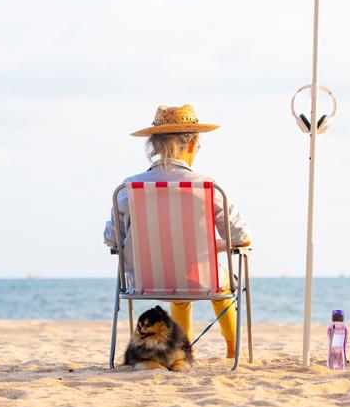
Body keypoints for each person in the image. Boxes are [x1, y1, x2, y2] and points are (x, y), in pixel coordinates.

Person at [104, 104, 251, 358]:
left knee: (179, 287)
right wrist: (208, 246)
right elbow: (241, 238)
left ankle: (182, 350)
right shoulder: (206, 186)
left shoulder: (130, 187)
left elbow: (111, 239)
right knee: (216, 278)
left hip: (145, 281)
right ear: (193, 144)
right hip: (201, 279)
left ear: (154, 146)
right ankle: (232, 347)